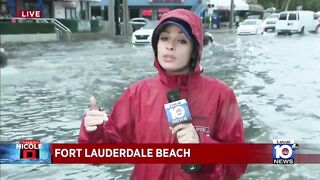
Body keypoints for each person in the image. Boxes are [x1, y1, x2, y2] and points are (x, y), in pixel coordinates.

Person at [78, 9, 247, 179]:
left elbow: (238, 163)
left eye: (181, 40)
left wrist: (201, 144)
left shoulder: (221, 95)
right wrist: (94, 132)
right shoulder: (137, 94)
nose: (170, 46)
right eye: (164, 38)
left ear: (195, 49)